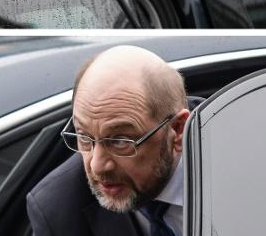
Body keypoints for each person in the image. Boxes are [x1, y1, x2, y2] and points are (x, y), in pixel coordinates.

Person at [27, 45, 202, 236]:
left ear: (177, 130)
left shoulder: (235, 149)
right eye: (84, 137)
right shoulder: (57, 210)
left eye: (119, 140)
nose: (97, 166)